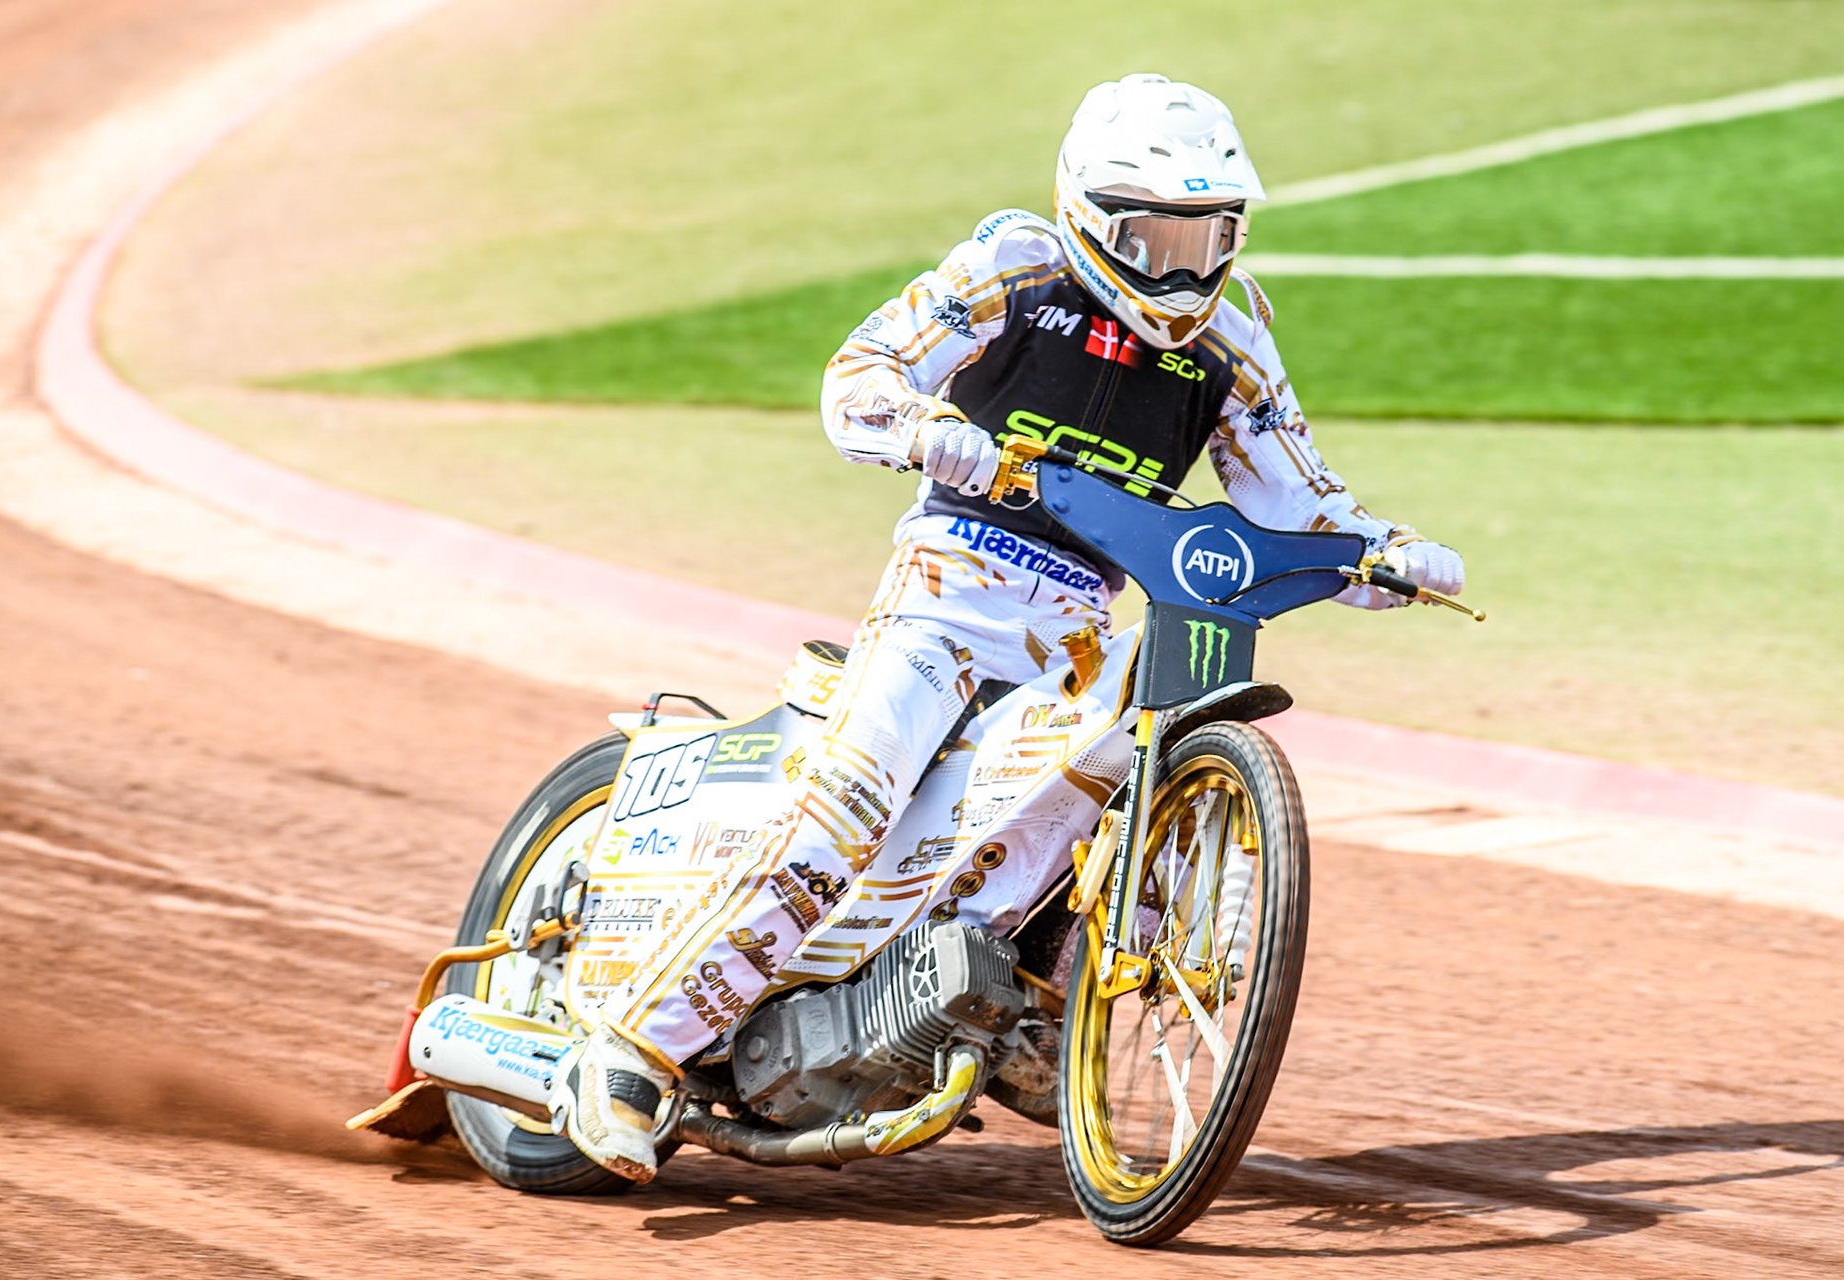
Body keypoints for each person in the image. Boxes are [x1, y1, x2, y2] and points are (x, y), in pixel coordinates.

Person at [549, 73, 1466, 1180]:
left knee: (1084, 791)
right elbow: (858, 379)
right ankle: (634, 1043)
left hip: (1077, 624)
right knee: (846, 802)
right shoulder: (1014, 271)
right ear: (1088, 211)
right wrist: (933, 431)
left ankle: (1037, 1005)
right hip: (946, 593)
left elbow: (1296, 498)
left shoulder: (1234, 338)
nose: (1182, 267)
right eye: (1154, 235)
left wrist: (1382, 552)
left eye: (1209, 234)